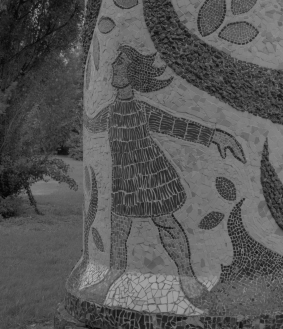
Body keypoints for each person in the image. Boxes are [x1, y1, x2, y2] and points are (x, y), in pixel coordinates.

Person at [83, 45, 245, 307]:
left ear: (133, 72)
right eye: (115, 61)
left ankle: (187, 276)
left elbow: (177, 126)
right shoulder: (110, 113)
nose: (114, 66)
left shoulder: (143, 111)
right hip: (124, 181)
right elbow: (91, 124)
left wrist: (214, 135)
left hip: (152, 175)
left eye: (121, 62)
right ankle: (112, 275)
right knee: (119, 231)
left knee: (167, 223)